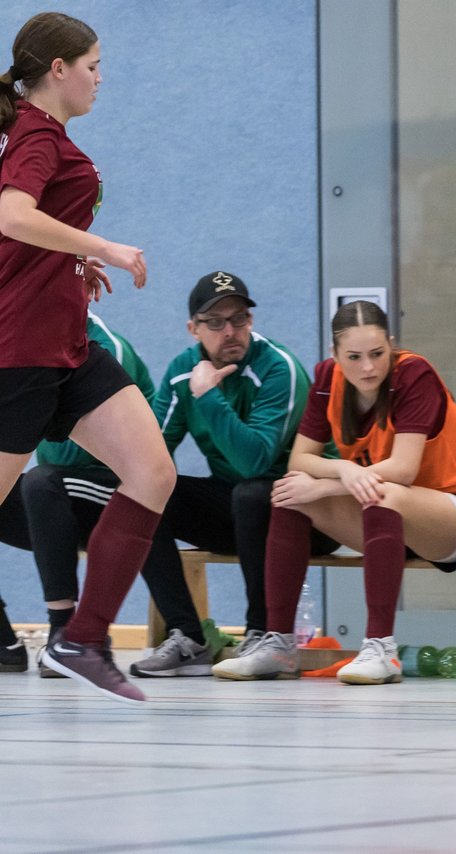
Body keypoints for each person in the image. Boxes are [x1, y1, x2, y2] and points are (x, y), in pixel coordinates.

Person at [0, 12, 175, 703]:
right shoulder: (36, 134)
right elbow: (11, 214)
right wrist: (101, 247)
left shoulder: (37, 131)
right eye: (94, 65)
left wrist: (72, 259)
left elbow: (28, 232)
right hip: (21, 351)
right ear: (59, 70)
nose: (102, 78)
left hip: (66, 346)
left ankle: (83, 636)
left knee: (152, 471)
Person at [214, 300, 456, 685]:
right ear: (334, 355)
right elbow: (301, 460)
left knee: (378, 494)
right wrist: (342, 469)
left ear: (392, 344)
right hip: (393, 516)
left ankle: (380, 648)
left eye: (377, 354)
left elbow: (402, 469)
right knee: (291, 493)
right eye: (354, 357)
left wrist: (333, 483)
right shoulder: (327, 378)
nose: (367, 367)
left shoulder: (414, 374)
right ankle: (279, 645)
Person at [129, 271, 333, 678]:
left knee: (254, 491)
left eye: (239, 319)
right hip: (241, 510)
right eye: (216, 322)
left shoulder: (278, 368)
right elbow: (150, 453)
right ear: (193, 329)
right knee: (144, 495)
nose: (230, 331)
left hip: (312, 514)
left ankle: (263, 633)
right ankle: (187, 636)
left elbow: (254, 462)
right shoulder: (181, 371)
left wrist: (207, 397)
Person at [0, 311, 153, 678]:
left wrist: (100, 250)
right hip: (55, 492)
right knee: (40, 482)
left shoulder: (103, 347)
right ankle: (5, 644)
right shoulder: (22, 342)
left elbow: (77, 454)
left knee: (41, 480)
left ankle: (68, 629)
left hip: (106, 489)